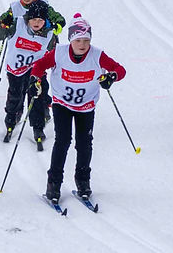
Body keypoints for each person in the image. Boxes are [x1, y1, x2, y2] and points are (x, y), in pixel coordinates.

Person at [30, 14, 125, 203]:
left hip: (86, 106)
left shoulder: (97, 55)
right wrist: (35, 79)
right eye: (78, 40)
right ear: (71, 40)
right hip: (62, 104)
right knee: (62, 141)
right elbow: (39, 65)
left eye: (86, 40)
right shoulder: (59, 52)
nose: (82, 44)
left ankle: (83, 181)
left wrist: (111, 77)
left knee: (84, 144)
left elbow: (120, 70)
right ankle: (53, 184)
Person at [0, 0, 59, 146]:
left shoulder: (49, 34)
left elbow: (55, 52)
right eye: (33, 19)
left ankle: (38, 127)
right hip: (15, 69)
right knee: (15, 95)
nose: (36, 23)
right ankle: (11, 119)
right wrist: (4, 25)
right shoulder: (18, 24)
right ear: (28, 19)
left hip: (35, 70)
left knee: (36, 97)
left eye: (40, 20)